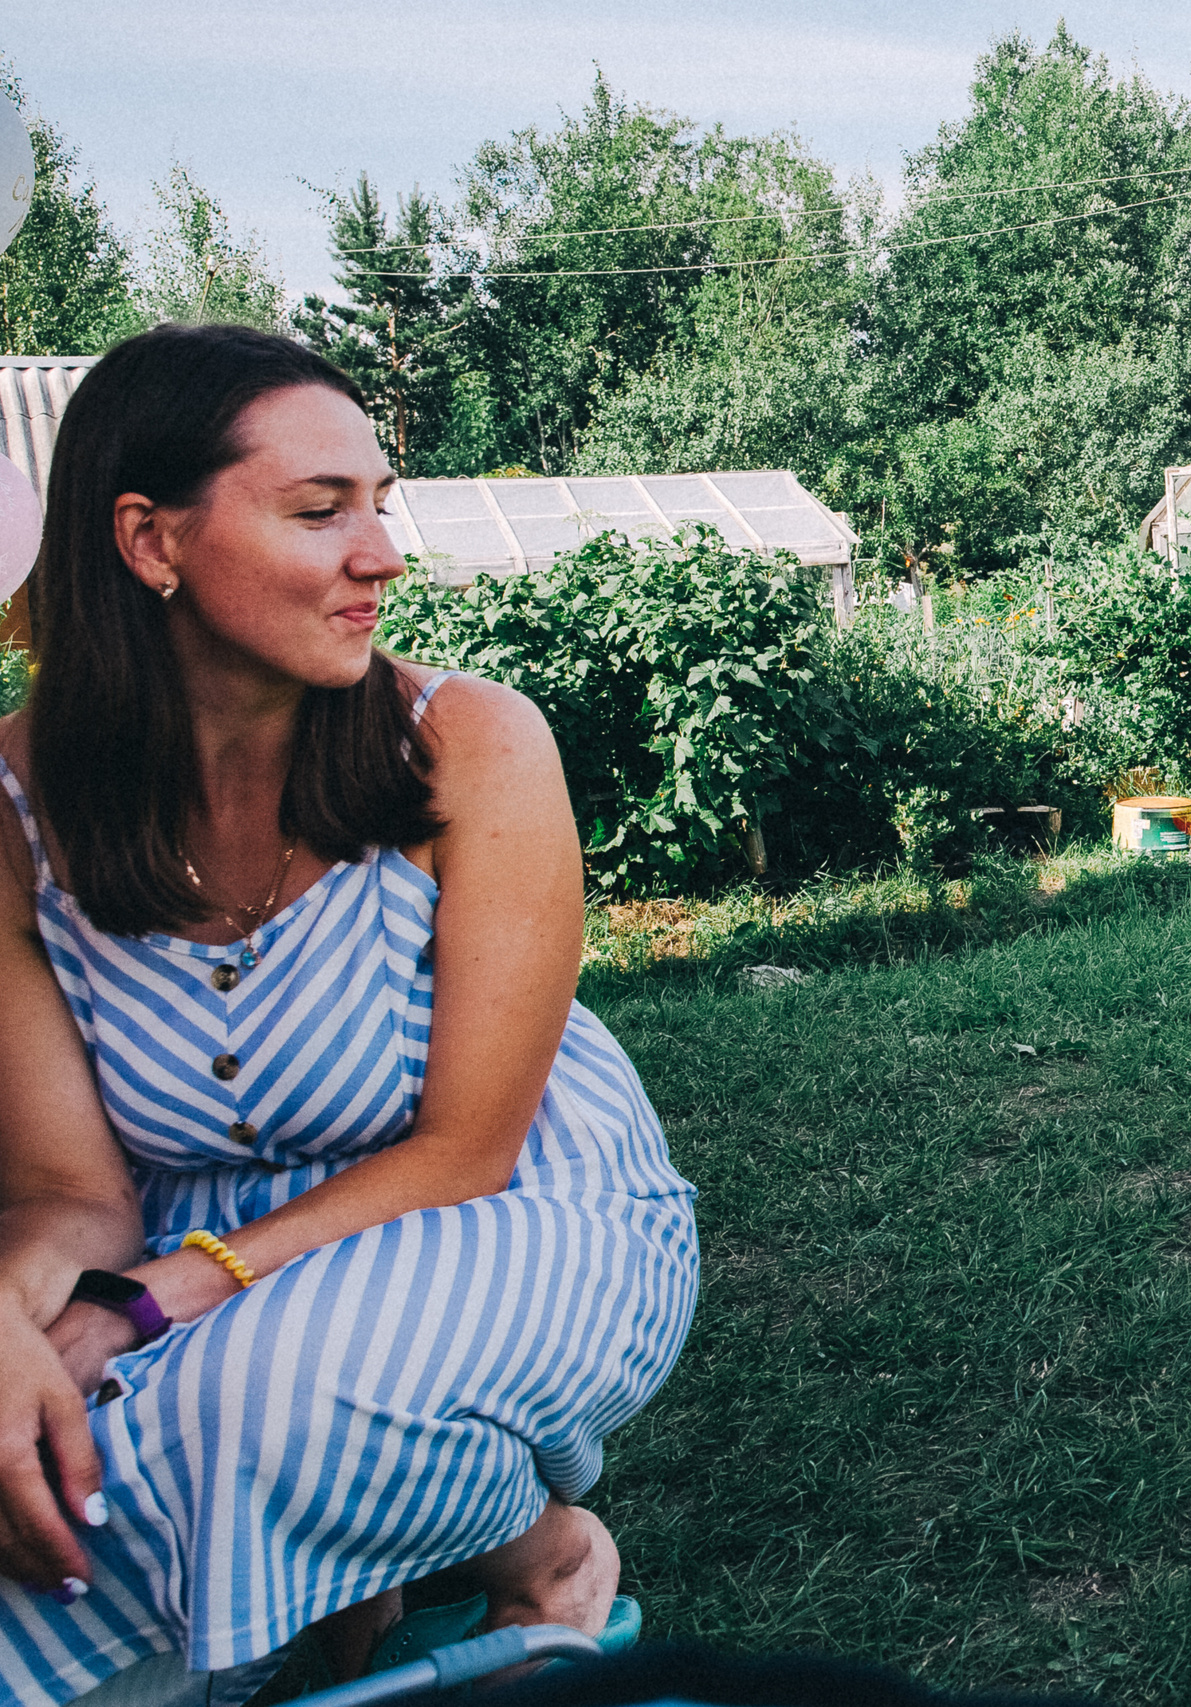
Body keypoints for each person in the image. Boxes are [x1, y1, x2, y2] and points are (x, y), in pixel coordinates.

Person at [0, 324, 698, 1702]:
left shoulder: (475, 742)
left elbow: (465, 1151)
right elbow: (63, 1191)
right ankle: (330, 1613)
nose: (382, 550)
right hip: (196, 1214)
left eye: (379, 502)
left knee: (261, 1399)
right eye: (323, 511)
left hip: (502, 1205)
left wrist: (146, 1302)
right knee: (50, 1441)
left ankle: (541, 1551)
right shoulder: (15, 805)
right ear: (149, 541)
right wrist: (8, 1323)